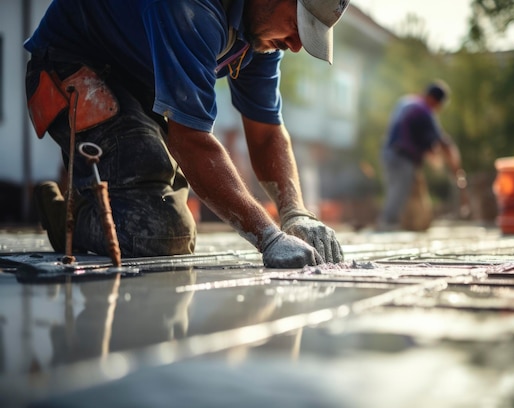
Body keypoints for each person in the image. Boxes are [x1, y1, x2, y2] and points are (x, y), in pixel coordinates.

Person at [24, 0, 348, 268]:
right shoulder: (192, 7)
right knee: (157, 233)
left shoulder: (260, 36)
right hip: (72, 68)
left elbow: (265, 134)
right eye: (297, 25)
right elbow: (191, 142)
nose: (296, 46)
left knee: (167, 212)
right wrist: (269, 236)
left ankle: (95, 193)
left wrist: (295, 213)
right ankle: (69, 214)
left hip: (140, 89)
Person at [378, 81, 469, 231]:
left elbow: (413, 135)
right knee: (399, 191)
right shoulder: (424, 111)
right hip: (401, 157)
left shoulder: (407, 102)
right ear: (435, 100)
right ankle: (388, 225)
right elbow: (444, 143)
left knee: (396, 190)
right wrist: (457, 171)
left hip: (388, 153)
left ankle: (394, 223)